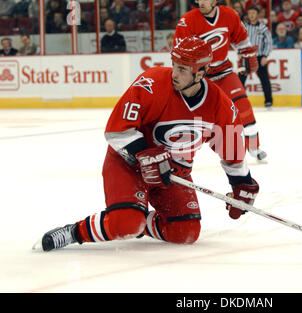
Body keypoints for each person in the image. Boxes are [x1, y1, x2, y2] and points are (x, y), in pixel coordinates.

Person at [34, 36, 260, 252]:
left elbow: (232, 152)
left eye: (183, 69)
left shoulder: (220, 106)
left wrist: (242, 185)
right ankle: (75, 232)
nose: (175, 74)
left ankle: (141, 221)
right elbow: (116, 129)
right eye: (174, 65)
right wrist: (145, 154)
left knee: (186, 232)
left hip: (172, 174)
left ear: (201, 72)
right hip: (128, 165)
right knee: (126, 225)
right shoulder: (152, 83)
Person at [174, 0, 267, 161]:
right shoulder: (187, 20)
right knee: (191, 114)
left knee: (243, 105)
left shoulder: (229, 14)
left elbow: (241, 39)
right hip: (200, 76)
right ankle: (181, 152)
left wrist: (247, 54)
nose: (200, 2)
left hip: (224, 71)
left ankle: (253, 146)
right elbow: (179, 52)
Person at [239, 6, 273, 108]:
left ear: (257, 14)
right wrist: (240, 52)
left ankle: (268, 100)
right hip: (246, 57)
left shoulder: (263, 28)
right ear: (248, 15)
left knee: (264, 79)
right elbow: (239, 40)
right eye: (250, 13)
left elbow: (268, 43)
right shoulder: (244, 27)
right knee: (241, 79)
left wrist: (265, 56)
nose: (252, 15)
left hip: (259, 57)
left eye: (253, 13)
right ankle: (240, 100)